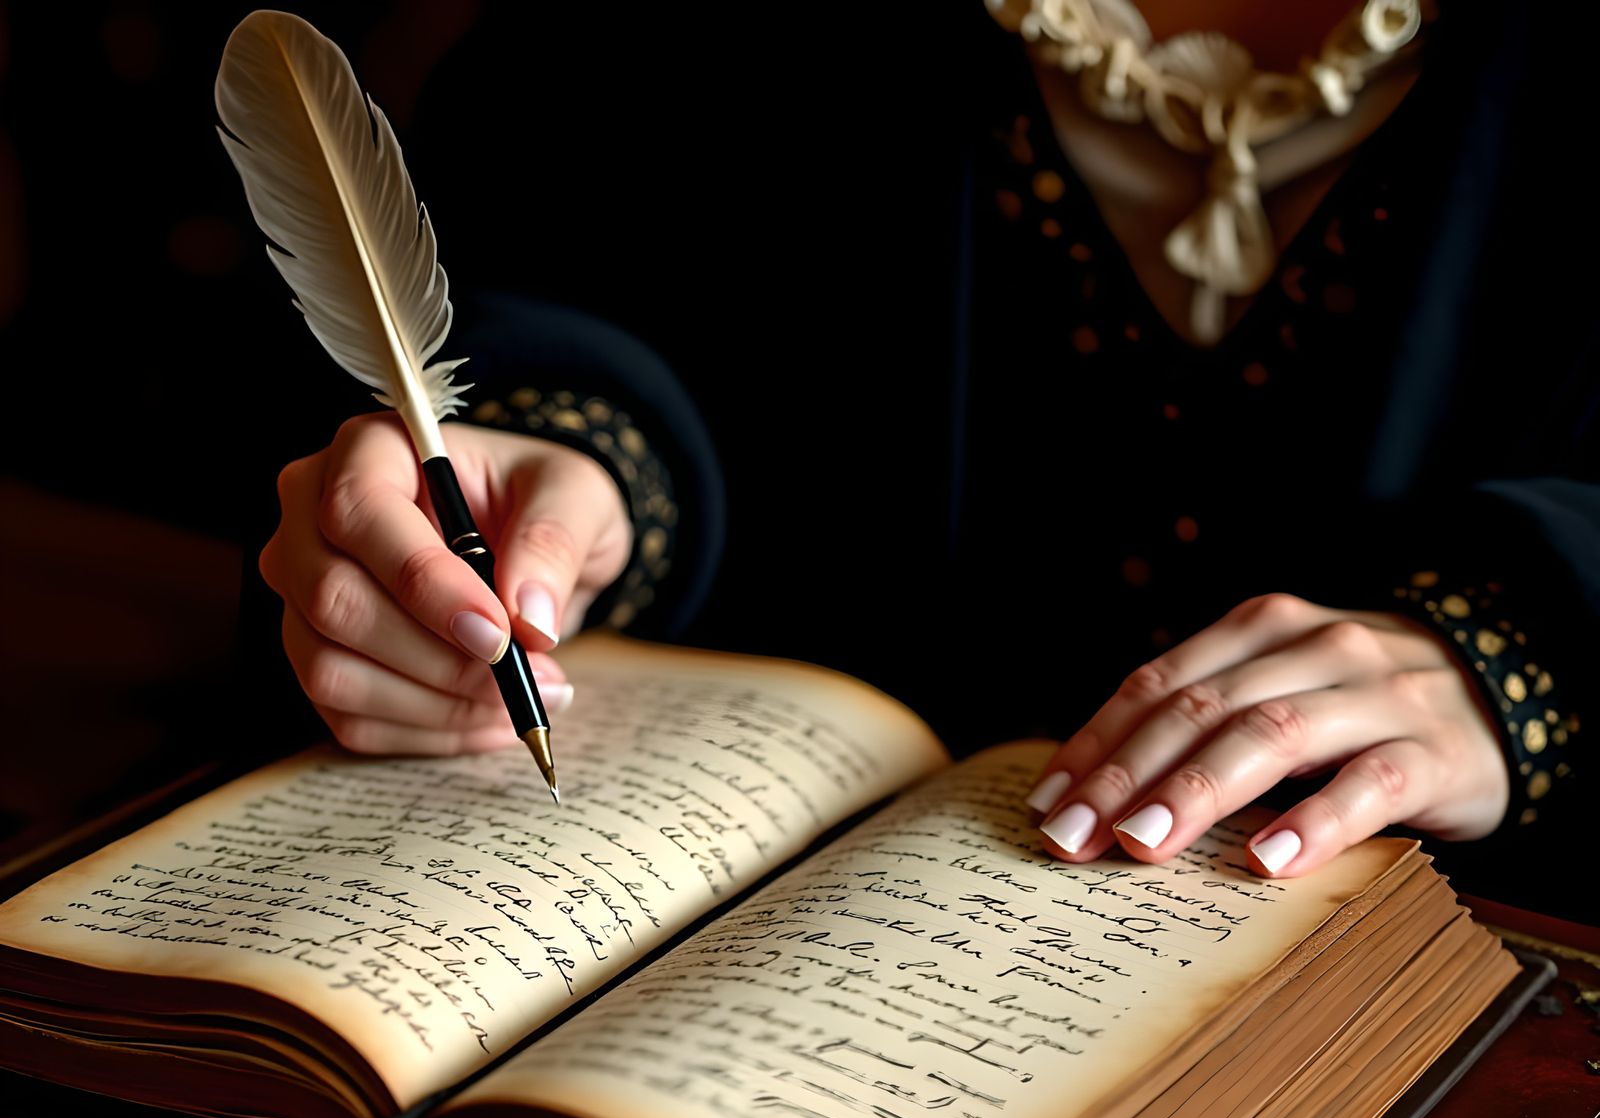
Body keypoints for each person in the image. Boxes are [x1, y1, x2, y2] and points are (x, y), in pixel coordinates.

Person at [251, 0, 1591, 913]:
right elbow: (593, 242)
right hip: (775, 863)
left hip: (1459, 961)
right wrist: (581, 462)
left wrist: (1531, 658)